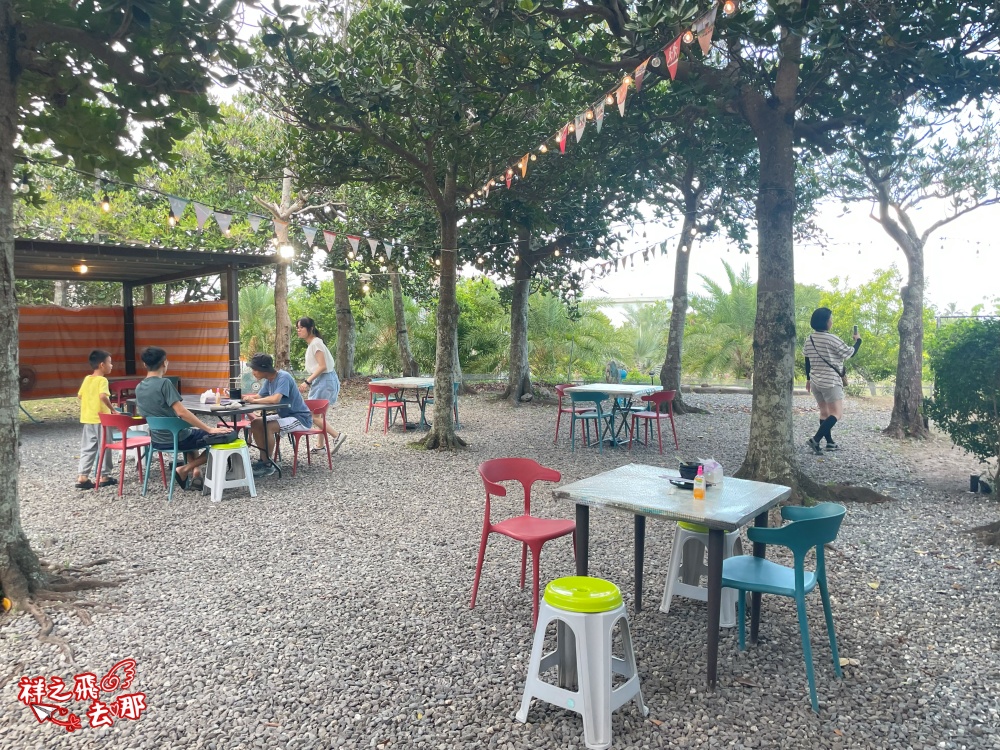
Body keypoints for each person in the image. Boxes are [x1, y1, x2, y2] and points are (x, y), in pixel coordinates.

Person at [135, 347, 234, 490]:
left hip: (157, 440)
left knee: (189, 432)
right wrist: (209, 428)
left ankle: (197, 473)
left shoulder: (139, 387)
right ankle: (184, 469)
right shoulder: (165, 384)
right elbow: (182, 412)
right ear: (164, 363)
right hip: (177, 439)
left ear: (145, 365)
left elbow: (144, 413)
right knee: (228, 435)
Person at [244, 353, 313, 477]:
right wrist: (241, 398)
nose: (253, 372)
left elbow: (275, 399)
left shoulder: (283, 377)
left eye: (255, 369)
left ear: (263, 369)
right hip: (285, 416)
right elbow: (259, 396)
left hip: (300, 417)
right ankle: (264, 461)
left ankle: (268, 464)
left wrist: (254, 401)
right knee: (256, 423)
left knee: (269, 427)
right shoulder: (269, 380)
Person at [803, 307, 861, 454]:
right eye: (830, 319)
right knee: (836, 413)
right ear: (826, 322)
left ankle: (829, 443)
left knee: (824, 413)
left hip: (816, 381)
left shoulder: (809, 339)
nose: (831, 321)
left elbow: (807, 360)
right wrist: (858, 341)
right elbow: (849, 353)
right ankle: (815, 440)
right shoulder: (831, 338)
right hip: (830, 382)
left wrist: (808, 379)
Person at [295, 317, 346, 454]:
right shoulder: (314, 343)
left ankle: (337, 436)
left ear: (310, 328)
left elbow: (322, 366)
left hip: (324, 380)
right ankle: (320, 446)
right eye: (297, 328)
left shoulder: (316, 343)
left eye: (301, 327)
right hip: (325, 380)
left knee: (312, 415)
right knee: (319, 415)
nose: (298, 330)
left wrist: (307, 381)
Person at [76, 350, 116, 490]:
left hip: (88, 418)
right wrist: (112, 409)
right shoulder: (102, 380)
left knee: (87, 448)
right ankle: (105, 476)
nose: (112, 365)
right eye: (110, 362)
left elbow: (80, 396)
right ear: (102, 365)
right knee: (105, 446)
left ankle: (83, 475)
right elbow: (103, 396)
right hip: (102, 420)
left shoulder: (87, 379)